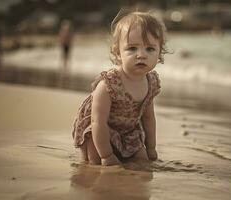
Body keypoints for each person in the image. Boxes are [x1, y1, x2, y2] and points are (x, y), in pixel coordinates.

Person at [72, 11, 168, 166]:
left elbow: (148, 117)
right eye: (132, 49)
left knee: (143, 161)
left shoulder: (150, 83)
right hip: (101, 132)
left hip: (129, 134)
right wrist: (106, 155)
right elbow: (98, 121)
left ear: (159, 53)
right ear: (117, 52)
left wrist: (151, 147)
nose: (141, 55)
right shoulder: (109, 84)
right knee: (94, 162)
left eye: (150, 49)